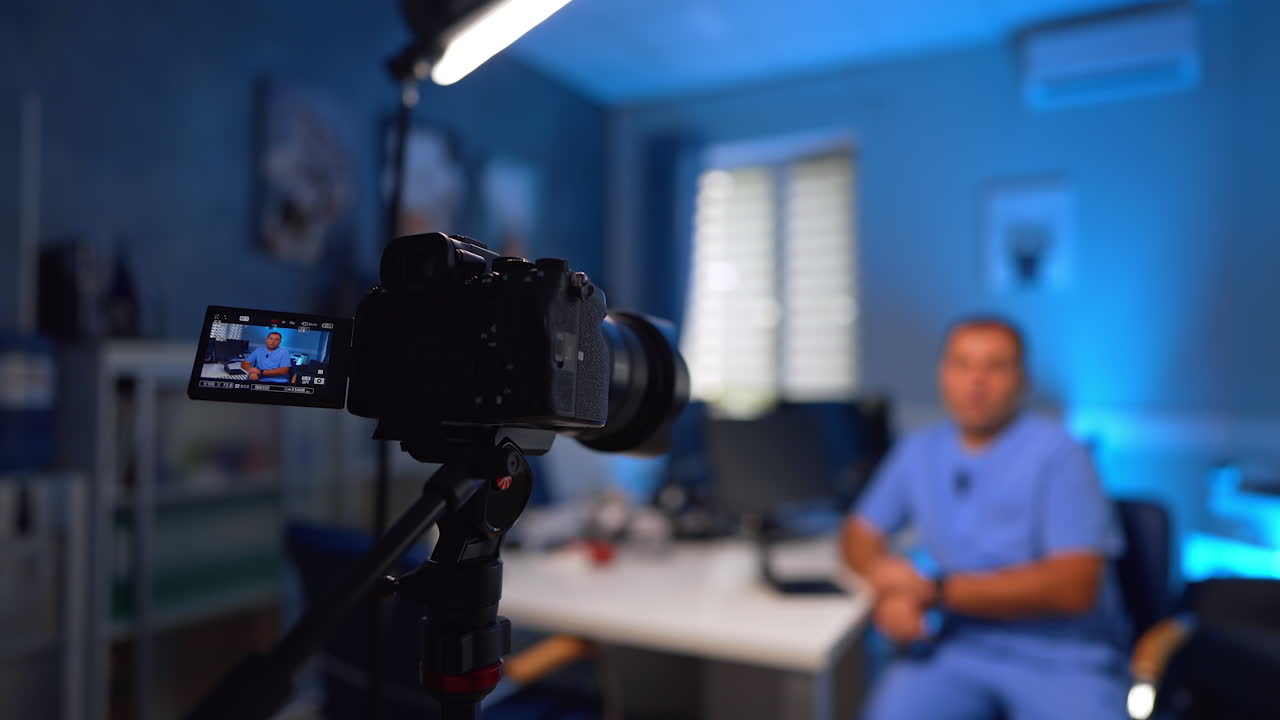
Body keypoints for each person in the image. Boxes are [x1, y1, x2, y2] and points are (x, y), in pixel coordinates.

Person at [842, 317, 1129, 720]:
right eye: (963, 364)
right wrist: (890, 584)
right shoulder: (919, 450)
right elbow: (859, 533)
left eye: (995, 367)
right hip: (954, 645)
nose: (976, 381)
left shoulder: (1062, 456)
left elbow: (1074, 586)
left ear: (1021, 380)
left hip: (1060, 657)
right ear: (944, 374)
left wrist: (934, 592)